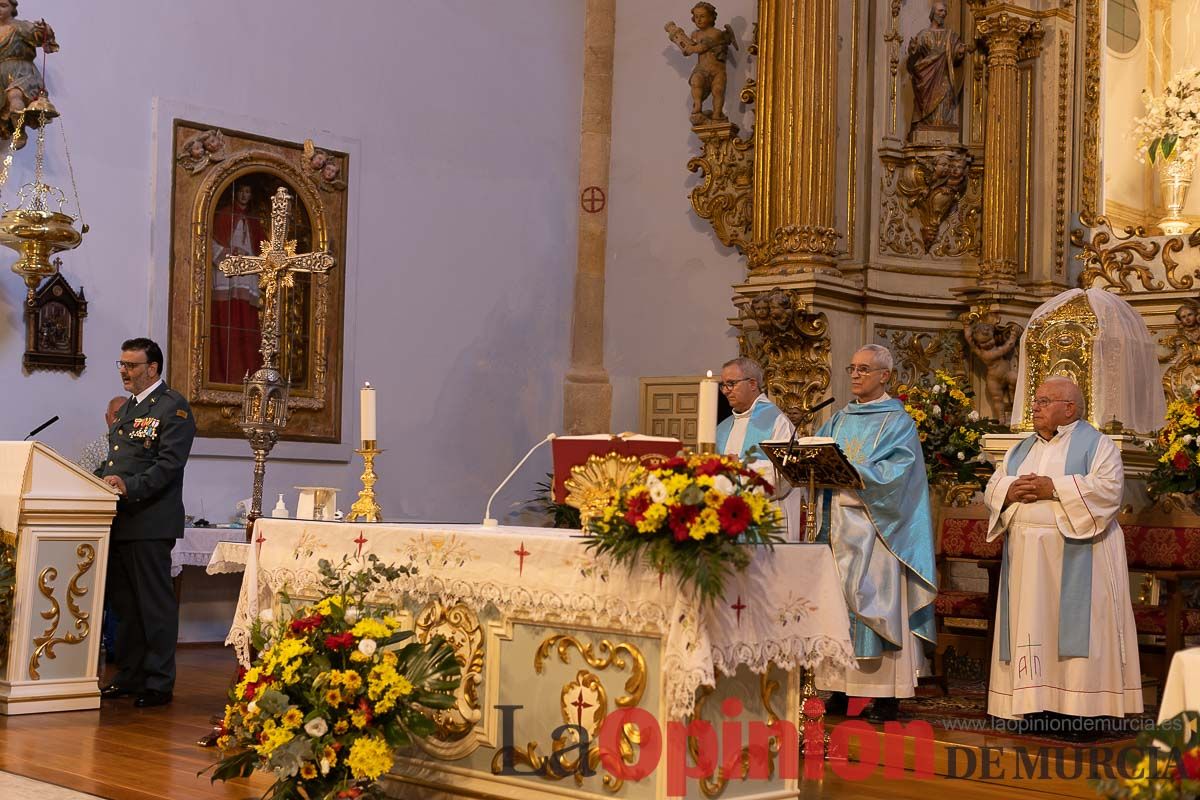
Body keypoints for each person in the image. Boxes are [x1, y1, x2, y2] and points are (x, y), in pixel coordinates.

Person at [982, 376, 1142, 729]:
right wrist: (1010, 490)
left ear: (1069, 409)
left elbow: (1108, 492)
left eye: (1044, 401)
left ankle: (1079, 710)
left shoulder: (1099, 446)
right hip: (1026, 558)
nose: (1034, 407)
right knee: (1030, 628)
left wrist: (1052, 488)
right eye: (1035, 401)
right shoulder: (1021, 448)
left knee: (1074, 631)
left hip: (1080, 555)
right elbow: (994, 484)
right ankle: (1031, 706)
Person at [814, 344, 937, 722]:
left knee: (879, 606)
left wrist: (855, 471)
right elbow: (817, 453)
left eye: (864, 369)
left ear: (885, 376)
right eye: (852, 367)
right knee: (835, 607)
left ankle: (886, 695)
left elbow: (901, 473)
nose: (854, 375)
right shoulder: (837, 418)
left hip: (878, 530)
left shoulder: (898, 422)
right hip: (836, 527)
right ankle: (838, 688)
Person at [97, 338, 196, 708]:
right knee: (126, 606)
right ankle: (131, 674)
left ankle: (157, 681)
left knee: (153, 605)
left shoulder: (173, 408)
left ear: (152, 368)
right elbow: (116, 463)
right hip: (122, 521)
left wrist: (129, 487)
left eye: (132, 365)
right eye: (121, 364)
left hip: (151, 520)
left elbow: (169, 465)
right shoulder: (129, 409)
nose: (124, 371)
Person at [715, 356, 801, 540]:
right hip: (728, 519)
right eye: (723, 385)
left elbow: (788, 473)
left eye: (731, 384)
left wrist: (742, 468)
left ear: (753, 383)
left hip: (768, 517)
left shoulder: (776, 422)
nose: (726, 391)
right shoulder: (722, 429)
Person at [209, 183, 266, 384]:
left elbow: (263, 251)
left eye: (248, 191)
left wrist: (250, 258)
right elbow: (212, 242)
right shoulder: (224, 214)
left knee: (246, 322)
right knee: (227, 320)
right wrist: (230, 252)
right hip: (228, 275)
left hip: (247, 275)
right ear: (236, 193)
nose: (244, 194)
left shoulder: (254, 221)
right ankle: (225, 374)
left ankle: (248, 373)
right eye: (241, 190)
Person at [906, 1, 967, 137]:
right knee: (927, 108)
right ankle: (926, 124)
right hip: (926, 77)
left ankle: (942, 127)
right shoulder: (923, 34)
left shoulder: (951, 35)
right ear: (933, 13)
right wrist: (913, 48)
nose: (943, 14)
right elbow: (914, 53)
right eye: (940, 11)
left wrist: (960, 52)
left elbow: (956, 55)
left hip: (944, 76)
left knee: (944, 104)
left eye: (945, 11)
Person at [0, 0, 57, 147]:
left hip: (22, 72)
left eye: (3, 5)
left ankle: (20, 132)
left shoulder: (19, 26)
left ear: (12, 8)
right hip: (1, 77)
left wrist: (45, 31)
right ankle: (12, 127)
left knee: (15, 95)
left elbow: (40, 35)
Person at [78, 395, 128, 474]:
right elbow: (84, 479)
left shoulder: (141, 443)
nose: (120, 419)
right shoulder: (93, 450)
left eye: (125, 415)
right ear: (107, 418)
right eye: (116, 415)